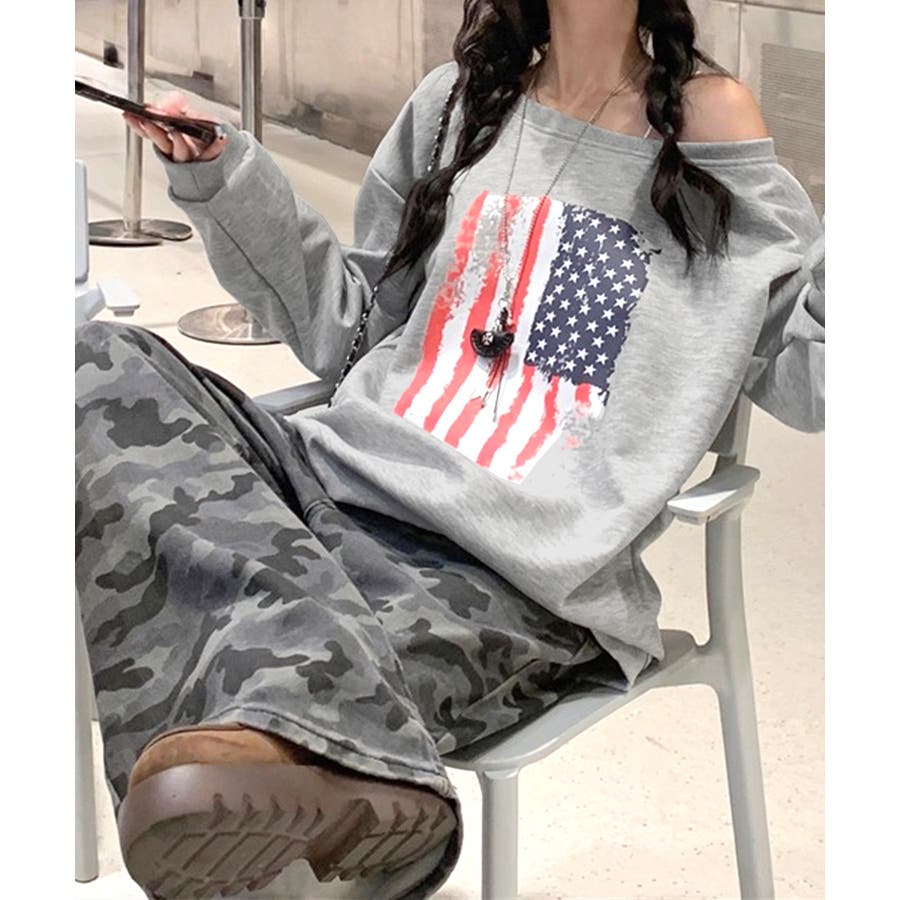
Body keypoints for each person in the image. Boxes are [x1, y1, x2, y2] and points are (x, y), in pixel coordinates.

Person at [75, 0, 825, 897]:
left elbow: (811, 378)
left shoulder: (714, 129)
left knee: (236, 647)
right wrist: (227, 178)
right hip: (330, 485)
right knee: (90, 360)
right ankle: (312, 735)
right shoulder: (455, 106)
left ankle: (295, 725)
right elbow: (349, 331)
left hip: (505, 570)